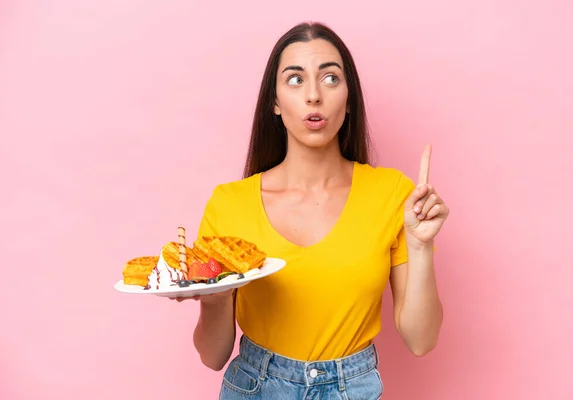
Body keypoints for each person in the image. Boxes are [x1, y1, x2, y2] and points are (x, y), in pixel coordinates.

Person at [173, 21, 449, 399]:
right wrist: (217, 298)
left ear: (349, 98)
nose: (314, 96)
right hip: (255, 387)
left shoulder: (392, 194)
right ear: (274, 101)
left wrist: (420, 247)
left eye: (331, 78)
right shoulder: (229, 204)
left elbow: (421, 340)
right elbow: (212, 355)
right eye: (295, 79)